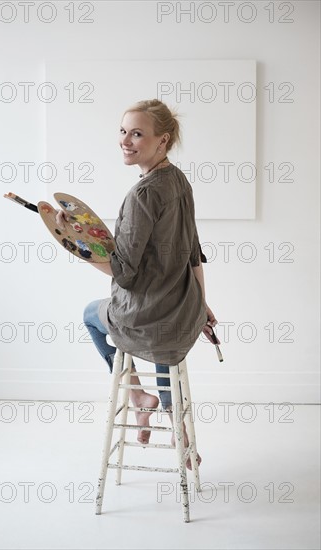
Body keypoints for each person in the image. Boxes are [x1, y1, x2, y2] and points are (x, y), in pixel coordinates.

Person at [56, 99, 219, 467]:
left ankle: (138, 396)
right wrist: (202, 303)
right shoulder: (178, 181)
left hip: (148, 319)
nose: (125, 140)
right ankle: (177, 423)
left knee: (89, 315)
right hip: (183, 313)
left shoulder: (143, 194)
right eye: (123, 131)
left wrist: (74, 244)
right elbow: (193, 252)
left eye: (137, 134)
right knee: (164, 332)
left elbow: (124, 273)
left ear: (162, 140)